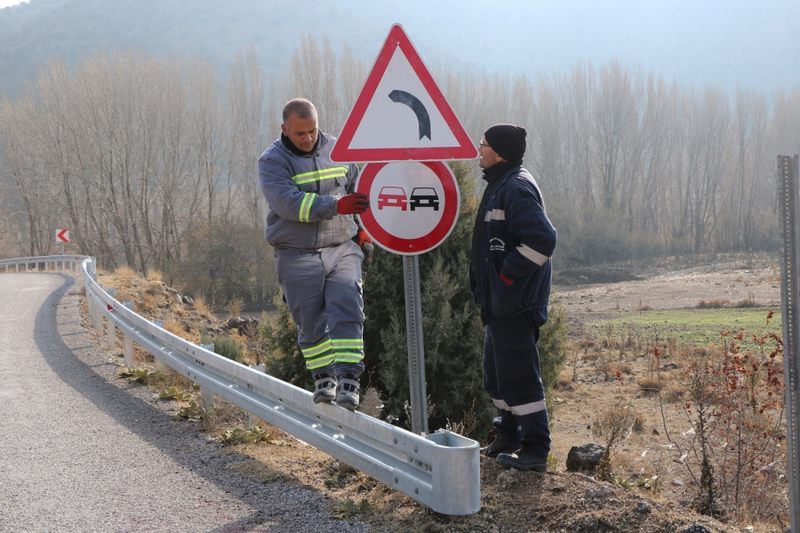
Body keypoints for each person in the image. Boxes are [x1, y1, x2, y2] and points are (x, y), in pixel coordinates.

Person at [258, 98, 371, 411]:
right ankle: (324, 377)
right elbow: (288, 204)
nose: (307, 139)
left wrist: (363, 229)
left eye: (312, 131)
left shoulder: (340, 152)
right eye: (299, 134)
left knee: (348, 303)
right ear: (284, 129)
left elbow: (360, 193)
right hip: (296, 253)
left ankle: (349, 380)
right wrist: (335, 206)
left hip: (342, 247)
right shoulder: (272, 162)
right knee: (309, 321)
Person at [469, 123, 557, 471]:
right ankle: (508, 435)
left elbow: (543, 240)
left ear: (500, 152)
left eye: (484, 144)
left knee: (519, 377)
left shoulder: (516, 187)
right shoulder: (500, 184)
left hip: (515, 303)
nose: (479, 149)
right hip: (500, 303)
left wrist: (506, 274)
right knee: (497, 375)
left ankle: (536, 448)